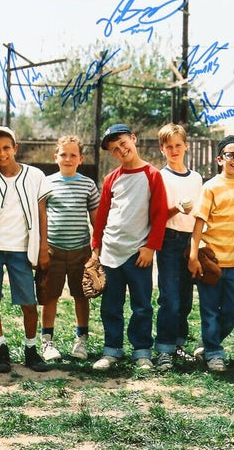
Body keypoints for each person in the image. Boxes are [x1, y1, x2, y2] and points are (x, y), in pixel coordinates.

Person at [0, 126, 51, 373]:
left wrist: (44, 247)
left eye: (6, 148)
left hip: (22, 250)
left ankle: (31, 349)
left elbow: (42, 214)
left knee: (29, 302)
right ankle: (1, 349)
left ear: (15, 148)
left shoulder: (35, 176)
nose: (2, 153)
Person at [90, 123, 168, 371]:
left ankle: (142, 351)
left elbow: (160, 215)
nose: (121, 150)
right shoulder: (111, 179)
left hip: (138, 253)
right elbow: (102, 216)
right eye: (114, 149)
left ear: (133, 139)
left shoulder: (152, 175)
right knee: (111, 306)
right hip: (111, 252)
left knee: (141, 306)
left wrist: (150, 247)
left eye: (123, 143)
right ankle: (111, 350)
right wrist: (96, 247)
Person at [188, 135, 234, 372]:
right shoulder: (211, 187)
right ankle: (214, 354)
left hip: (232, 264)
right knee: (209, 310)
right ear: (219, 159)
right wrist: (193, 256)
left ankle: (208, 343)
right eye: (230, 155)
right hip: (211, 262)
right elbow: (198, 223)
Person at [40, 135, 100, 361]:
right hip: (53, 250)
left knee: (81, 296)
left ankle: (81, 341)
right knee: (50, 296)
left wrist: (95, 251)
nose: (68, 159)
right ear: (55, 157)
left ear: (81, 159)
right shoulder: (46, 183)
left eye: (73, 155)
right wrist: (41, 248)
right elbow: (41, 217)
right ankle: (47, 342)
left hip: (80, 252)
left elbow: (96, 220)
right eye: (63, 154)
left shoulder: (88, 184)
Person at [155, 123, 202, 371]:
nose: (174, 150)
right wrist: (177, 208)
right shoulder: (160, 177)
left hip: (191, 240)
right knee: (170, 298)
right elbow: (156, 216)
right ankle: (164, 349)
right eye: (169, 146)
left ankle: (178, 344)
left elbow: (200, 215)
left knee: (185, 298)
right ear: (162, 149)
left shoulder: (196, 178)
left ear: (186, 146)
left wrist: (198, 244)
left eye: (178, 145)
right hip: (169, 240)